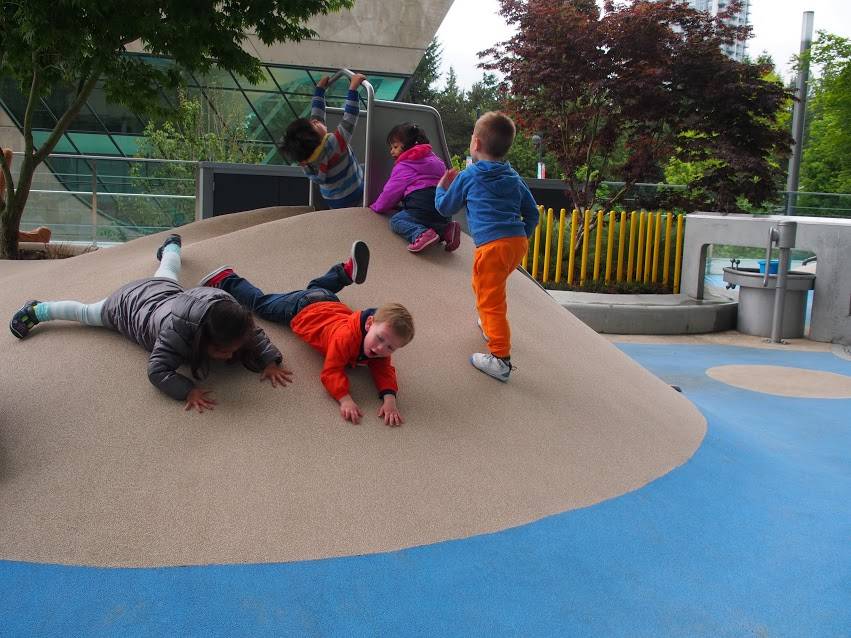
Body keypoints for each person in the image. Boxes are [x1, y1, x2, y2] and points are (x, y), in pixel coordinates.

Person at [9, 234, 293, 412]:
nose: (230, 356)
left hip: (163, 293)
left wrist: (268, 360)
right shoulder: (173, 336)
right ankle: (38, 310)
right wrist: (188, 390)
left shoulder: (224, 310)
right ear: (202, 339)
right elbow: (157, 371)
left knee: (168, 271)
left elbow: (251, 332)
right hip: (125, 307)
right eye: (223, 352)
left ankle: (171, 245)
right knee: (85, 314)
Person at [199, 241, 414, 426]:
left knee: (316, 287)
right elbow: (331, 371)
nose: (380, 349)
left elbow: (383, 368)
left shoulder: (378, 344)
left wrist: (389, 398)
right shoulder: (345, 338)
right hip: (302, 308)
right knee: (262, 305)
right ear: (369, 323)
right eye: (380, 339)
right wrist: (344, 398)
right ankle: (226, 278)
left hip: (328, 301)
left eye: (390, 347)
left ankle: (345, 272)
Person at [435, 111, 539, 382]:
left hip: (492, 247)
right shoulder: (513, 177)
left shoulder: (469, 176)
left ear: (476, 144)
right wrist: (520, 239)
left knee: (492, 301)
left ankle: (500, 360)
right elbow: (533, 214)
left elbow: (445, 208)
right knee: (484, 286)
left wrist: (440, 187)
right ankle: (489, 325)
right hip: (516, 243)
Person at [278, 73, 367, 209]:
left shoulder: (307, 160)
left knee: (362, 168)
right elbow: (350, 118)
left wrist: (320, 91)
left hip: (333, 200)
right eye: (313, 124)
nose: (314, 120)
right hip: (354, 193)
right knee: (373, 171)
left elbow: (317, 115)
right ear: (315, 138)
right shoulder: (333, 144)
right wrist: (353, 89)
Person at [370, 122, 461, 253]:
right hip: (443, 209)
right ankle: (448, 230)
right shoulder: (436, 160)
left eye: (395, 146)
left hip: (421, 206)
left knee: (396, 220)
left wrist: (377, 207)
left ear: (409, 145)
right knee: (434, 222)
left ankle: (420, 233)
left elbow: (391, 192)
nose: (392, 151)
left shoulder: (404, 165)